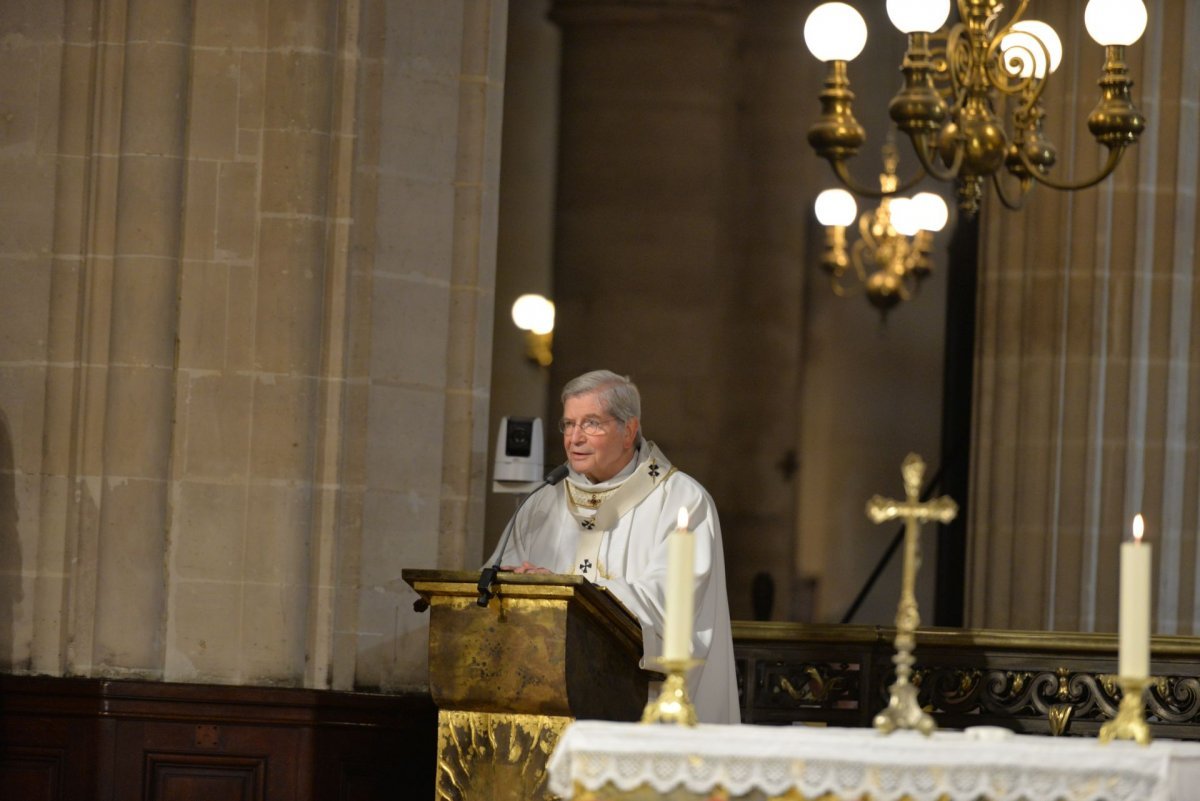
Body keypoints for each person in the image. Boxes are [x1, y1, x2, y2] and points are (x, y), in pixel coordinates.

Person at [486, 370, 740, 724]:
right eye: (568, 424)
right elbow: (497, 580)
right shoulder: (543, 502)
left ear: (629, 430)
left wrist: (567, 592)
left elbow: (669, 601)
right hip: (544, 702)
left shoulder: (682, 500)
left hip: (643, 703)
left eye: (591, 424)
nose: (574, 438)